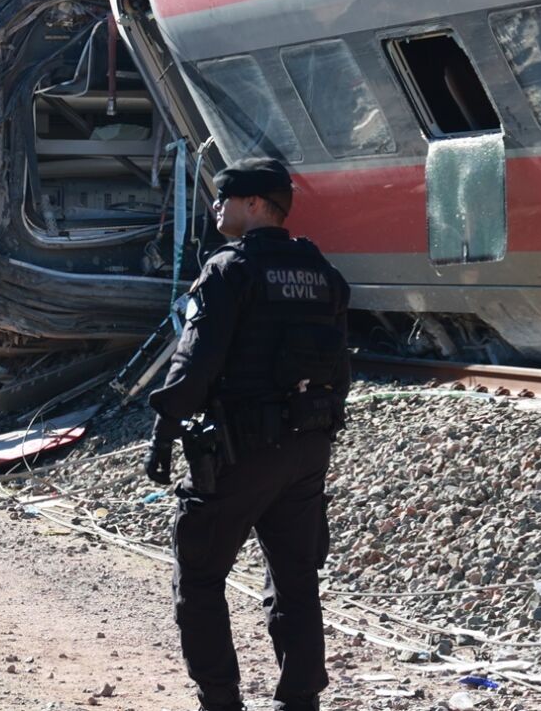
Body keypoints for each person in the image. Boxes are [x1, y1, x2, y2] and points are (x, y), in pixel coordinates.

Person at [146, 158, 350, 711]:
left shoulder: (228, 269)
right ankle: (300, 699)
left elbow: (195, 363)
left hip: (243, 450)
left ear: (255, 205)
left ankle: (220, 700)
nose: (216, 207)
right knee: (295, 578)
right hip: (308, 448)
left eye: (225, 198)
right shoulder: (321, 272)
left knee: (202, 574)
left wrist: (165, 430)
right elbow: (341, 370)